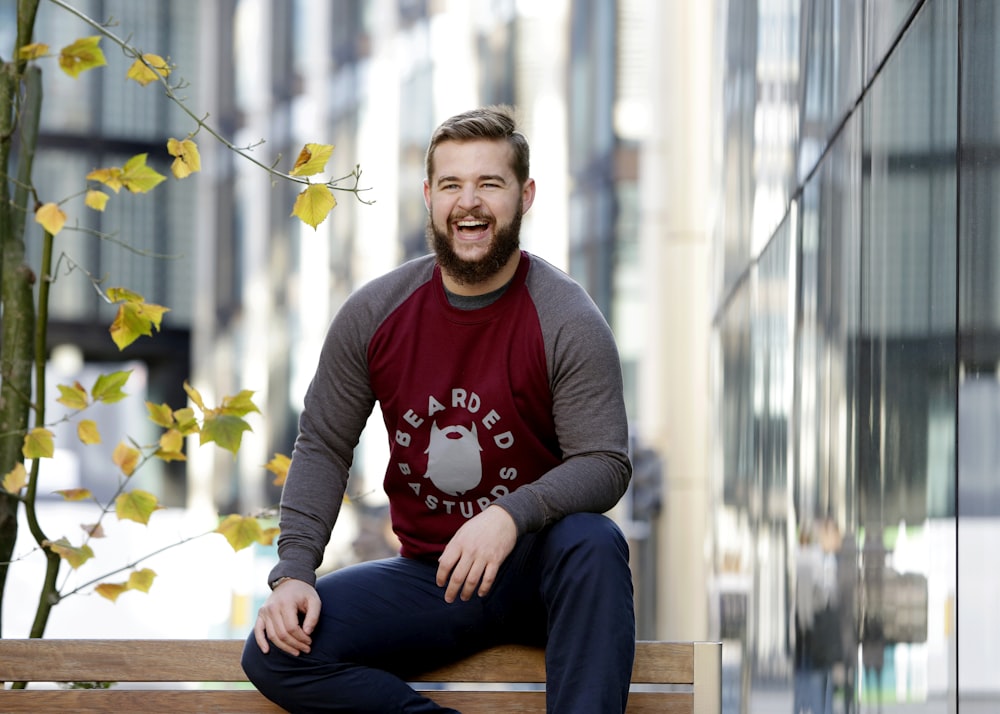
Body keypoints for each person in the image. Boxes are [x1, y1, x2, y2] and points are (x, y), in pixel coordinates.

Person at [241, 105, 636, 713]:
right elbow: (322, 443)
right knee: (276, 650)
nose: (469, 202)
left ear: (525, 196)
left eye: (490, 183)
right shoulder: (377, 314)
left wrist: (510, 515)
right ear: (428, 195)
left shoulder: (566, 318)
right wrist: (293, 571)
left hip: (542, 573)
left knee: (593, 540)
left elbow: (605, 461)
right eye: (452, 184)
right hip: (434, 579)